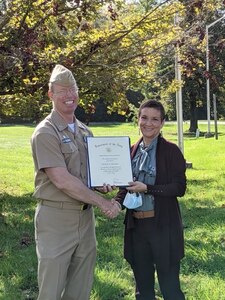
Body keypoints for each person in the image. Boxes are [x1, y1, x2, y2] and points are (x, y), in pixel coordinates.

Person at [31, 64, 121, 300]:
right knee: (51, 290)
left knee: (80, 288)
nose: (69, 96)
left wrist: (102, 182)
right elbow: (62, 180)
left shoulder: (85, 132)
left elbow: (86, 176)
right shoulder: (45, 133)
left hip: (85, 218)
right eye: (62, 91)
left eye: (73, 89)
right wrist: (103, 202)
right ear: (51, 95)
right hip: (56, 220)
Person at [115, 100, 186, 300]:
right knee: (143, 290)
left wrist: (148, 188)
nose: (149, 123)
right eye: (144, 117)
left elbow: (179, 188)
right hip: (137, 227)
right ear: (138, 119)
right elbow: (124, 187)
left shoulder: (171, 151)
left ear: (162, 123)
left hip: (163, 226)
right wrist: (115, 202)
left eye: (155, 119)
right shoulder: (130, 151)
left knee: (170, 288)